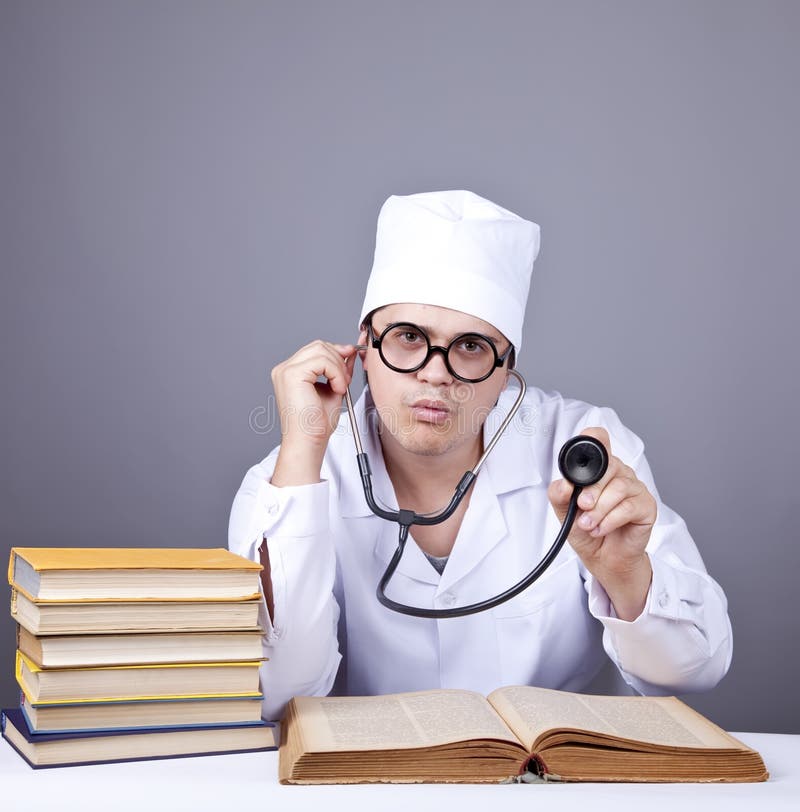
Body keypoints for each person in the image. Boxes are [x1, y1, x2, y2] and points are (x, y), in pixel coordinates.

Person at [228, 190, 732, 721]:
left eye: (471, 346)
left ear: (506, 365)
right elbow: (278, 692)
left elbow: (699, 667)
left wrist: (626, 575)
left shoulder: (586, 452)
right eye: (407, 337)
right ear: (362, 347)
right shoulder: (290, 479)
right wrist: (303, 454)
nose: (435, 372)